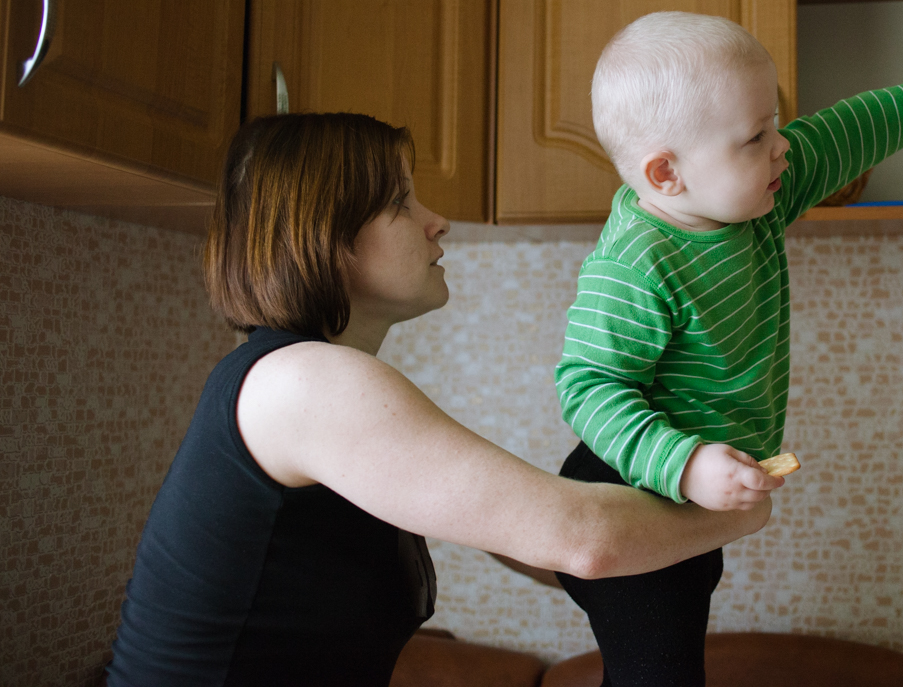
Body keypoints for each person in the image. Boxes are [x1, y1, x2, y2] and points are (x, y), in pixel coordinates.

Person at [104, 112, 774, 687]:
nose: (438, 222)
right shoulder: (304, 386)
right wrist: (743, 504)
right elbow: (582, 542)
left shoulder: (305, 383)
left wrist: (648, 556)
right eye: (402, 202)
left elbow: (540, 541)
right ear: (325, 235)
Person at [552, 11, 903, 687]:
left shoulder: (753, 196)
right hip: (626, 495)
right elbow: (588, 386)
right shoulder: (637, 261)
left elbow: (842, 135)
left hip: (689, 501)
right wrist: (684, 465)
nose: (781, 147)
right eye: (756, 136)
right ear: (666, 174)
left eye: (773, 125)